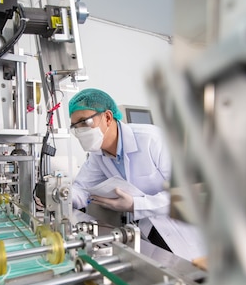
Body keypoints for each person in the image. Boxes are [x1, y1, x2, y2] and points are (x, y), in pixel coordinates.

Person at [69, 88, 171, 221]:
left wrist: (135, 205)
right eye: (75, 127)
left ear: (107, 117)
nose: (81, 130)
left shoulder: (153, 140)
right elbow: (82, 190)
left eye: (85, 122)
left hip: (182, 229)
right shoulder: (98, 154)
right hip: (149, 229)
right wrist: (58, 196)